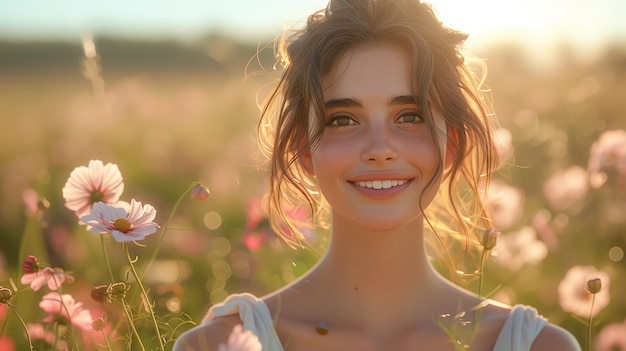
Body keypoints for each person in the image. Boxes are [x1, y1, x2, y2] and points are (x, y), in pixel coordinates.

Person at [174, 0, 581, 350]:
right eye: (342, 120)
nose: (380, 149)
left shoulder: (538, 346)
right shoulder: (218, 345)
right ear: (303, 151)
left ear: (451, 144)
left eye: (410, 115)